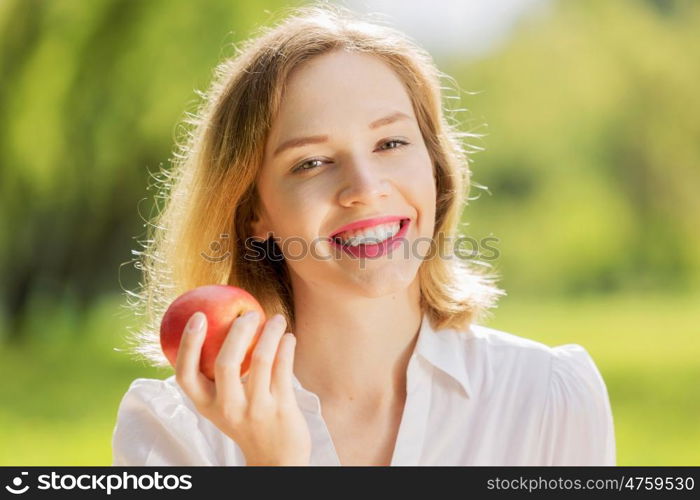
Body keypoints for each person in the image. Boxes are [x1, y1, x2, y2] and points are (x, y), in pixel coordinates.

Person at [111, 3, 616, 466]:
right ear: (252, 214)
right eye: (311, 163)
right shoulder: (175, 429)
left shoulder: (548, 396)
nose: (365, 189)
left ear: (436, 166)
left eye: (390, 142)